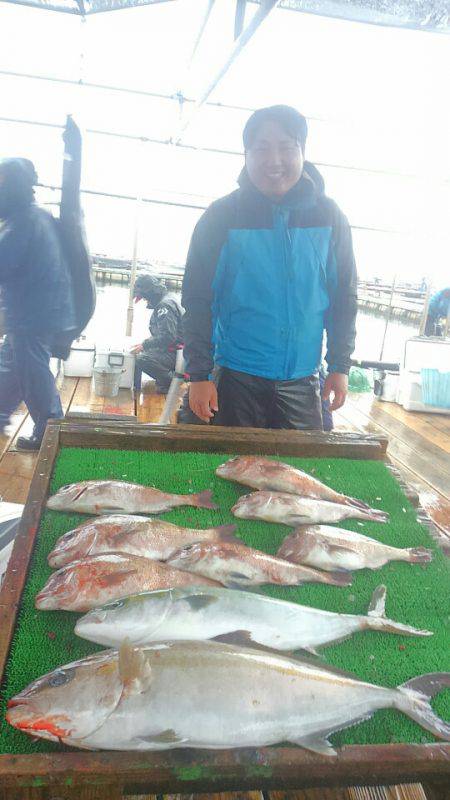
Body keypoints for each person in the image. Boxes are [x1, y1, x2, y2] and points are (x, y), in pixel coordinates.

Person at [181, 105, 358, 428]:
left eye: (286, 147)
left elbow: (344, 298)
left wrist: (340, 365)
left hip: (304, 379)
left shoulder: (330, 217)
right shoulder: (220, 217)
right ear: (246, 155)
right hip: (236, 378)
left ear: (302, 151)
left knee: (303, 471)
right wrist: (199, 374)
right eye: (261, 148)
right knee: (225, 467)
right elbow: (196, 301)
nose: (273, 160)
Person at [0, 158, 75, 450]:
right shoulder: (37, 216)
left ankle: (50, 432)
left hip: (35, 315)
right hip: (46, 311)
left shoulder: (21, 222)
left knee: (33, 373)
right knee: (10, 365)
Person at [132, 273, 184, 394]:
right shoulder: (169, 298)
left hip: (179, 354)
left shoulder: (164, 306)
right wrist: (144, 345)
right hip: (178, 350)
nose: (144, 300)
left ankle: (174, 383)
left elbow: (167, 336)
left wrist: (144, 345)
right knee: (143, 352)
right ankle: (168, 379)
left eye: (144, 297)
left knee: (142, 359)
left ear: (149, 294)